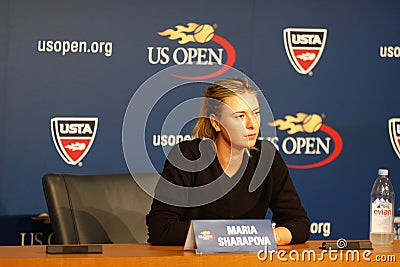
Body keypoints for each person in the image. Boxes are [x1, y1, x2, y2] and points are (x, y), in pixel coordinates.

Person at [146, 78, 310, 246]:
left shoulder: (266, 157)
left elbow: (298, 223)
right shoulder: (188, 156)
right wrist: (225, 238)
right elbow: (161, 228)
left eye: (256, 113)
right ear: (216, 123)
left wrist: (269, 237)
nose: (252, 124)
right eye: (240, 116)